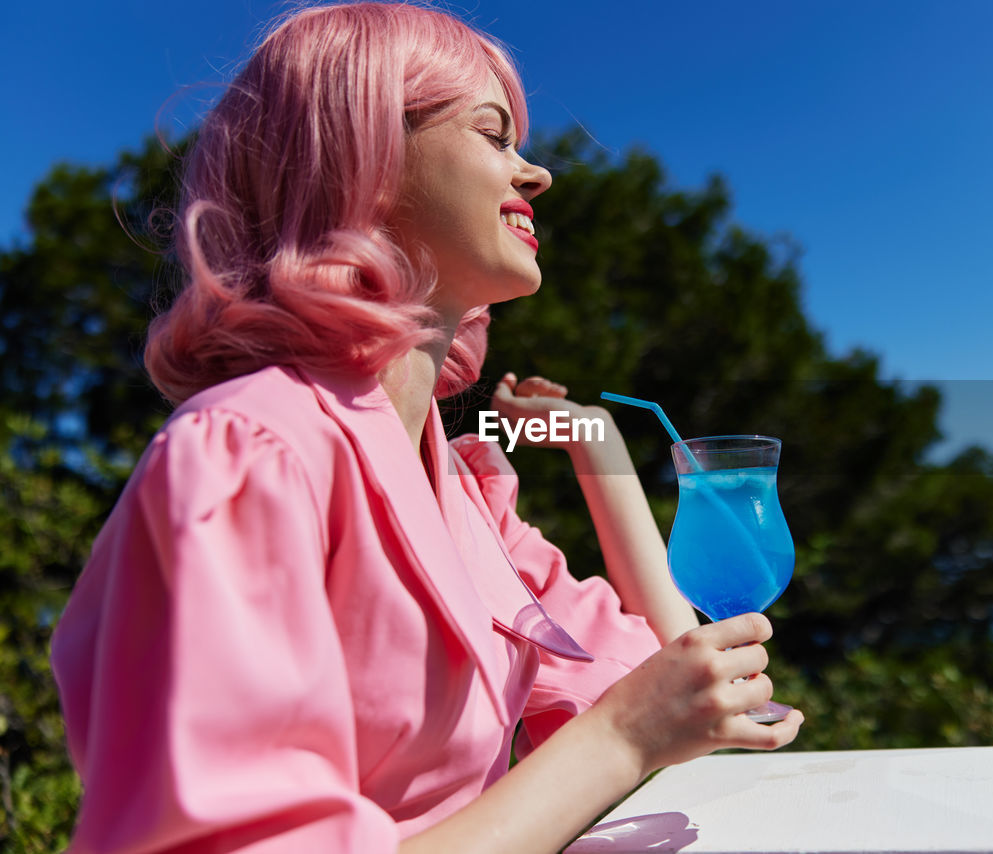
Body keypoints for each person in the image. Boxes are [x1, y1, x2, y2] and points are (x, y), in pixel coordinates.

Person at [49, 3, 802, 852]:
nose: (538, 174)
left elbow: (683, 674)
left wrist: (598, 448)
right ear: (362, 160)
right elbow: (639, 720)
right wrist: (622, 739)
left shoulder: (465, 493)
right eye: (493, 134)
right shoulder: (251, 454)